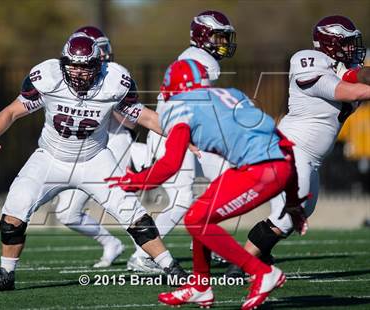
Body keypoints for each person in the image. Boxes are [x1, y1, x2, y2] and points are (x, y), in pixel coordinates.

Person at [0, 35, 187, 293]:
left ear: (98, 64)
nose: (78, 72)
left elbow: (147, 118)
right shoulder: (47, 76)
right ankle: (6, 274)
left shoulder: (114, 82)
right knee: (12, 217)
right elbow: (12, 111)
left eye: (85, 66)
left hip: (94, 158)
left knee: (133, 214)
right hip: (50, 157)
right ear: (64, 63)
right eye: (73, 65)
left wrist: (183, 137)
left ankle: (171, 268)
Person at [106, 59, 307, 310]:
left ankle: (261, 272)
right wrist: (294, 201)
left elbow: (170, 164)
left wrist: (135, 181)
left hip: (261, 169)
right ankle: (201, 287)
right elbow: (281, 142)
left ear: (173, 86)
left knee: (196, 220)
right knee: (199, 214)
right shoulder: (231, 95)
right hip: (282, 164)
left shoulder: (180, 106)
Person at [225, 15, 370, 278]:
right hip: (292, 149)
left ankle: (257, 255)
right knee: (289, 216)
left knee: (297, 214)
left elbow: (359, 75)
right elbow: (350, 92)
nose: (352, 48)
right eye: (347, 43)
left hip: (309, 157)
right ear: (330, 43)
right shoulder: (307, 62)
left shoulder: (338, 65)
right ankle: (240, 265)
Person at [127, 9, 237, 272]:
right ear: (203, 37)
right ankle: (142, 255)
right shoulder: (201, 62)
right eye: (218, 38)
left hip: (185, 129)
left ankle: (205, 241)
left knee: (224, 179)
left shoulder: (199, 59)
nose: (223, 44)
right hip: (174, 132)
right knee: (182, 199)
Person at [54, 26, 130, 269]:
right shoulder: (66, 80)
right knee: (66, 213)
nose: (106, 55)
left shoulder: (115, 77)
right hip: (83, 149)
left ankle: (147, 253)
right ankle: (111, 243)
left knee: (123, 203)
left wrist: (111, 101)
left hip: (115, 144)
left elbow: (131, 120)